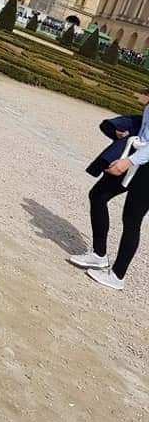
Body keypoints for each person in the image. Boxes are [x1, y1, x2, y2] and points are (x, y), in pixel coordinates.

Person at [69, 90, 149, 290]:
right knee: (98, 195)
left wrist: (128, 161)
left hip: (143, 166)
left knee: (132, 219)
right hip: (138, 156)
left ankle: (117, 276)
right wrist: (127, 133)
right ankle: (99, 255)